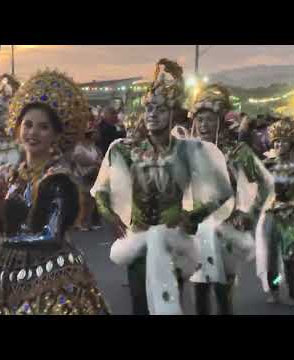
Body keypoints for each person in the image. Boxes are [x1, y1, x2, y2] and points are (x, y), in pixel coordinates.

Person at [91, 59, 233, 315]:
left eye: (160, 109)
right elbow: (101, 190)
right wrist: (109, 214)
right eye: (148, 109)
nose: (152, 115)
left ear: (172, 114)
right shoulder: (125, 149)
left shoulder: (189, 151)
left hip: (173, 243)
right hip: (137, 244)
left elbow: (222, 191)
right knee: (139, 305)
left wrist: (192, 217)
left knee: (170, 304)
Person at [0, 70, 109, 315]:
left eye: (43, 127)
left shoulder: (59, 178)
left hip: (52, 276)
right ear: (18, 127)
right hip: (8, 273)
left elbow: (50, 236)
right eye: (28, 124)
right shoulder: (10, 175)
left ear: (56, 135)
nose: (32, 132)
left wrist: (0, 239)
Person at [189, 84, 272, 314]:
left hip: (225, 229)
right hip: (196, 228)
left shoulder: (236, 151)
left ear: (220, 120)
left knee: (222, 291)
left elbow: (264, 183)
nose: (204, 125)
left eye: (209, 119)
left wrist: (247, 213)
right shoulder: (187, 151)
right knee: (198, 290)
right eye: (200, 120)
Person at [259, 118, 294, 305]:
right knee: (271, 258)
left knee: (290, 257)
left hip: (292, 217)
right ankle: (274, 289)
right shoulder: (268, 164)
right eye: (276, 141)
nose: (279, 144)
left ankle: (292, 293)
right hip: (272, 215)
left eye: (283, 141)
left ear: (292, 143)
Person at [72, 124, 103, 231]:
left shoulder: (94, 147)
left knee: (92, 200)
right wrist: (95, 162)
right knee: (83, 201)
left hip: (93, 175)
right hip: (82, 176)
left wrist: (98, 163)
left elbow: (100, 158)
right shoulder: (79, 147)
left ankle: (87, 222)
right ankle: (79, 222)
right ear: (89, 135)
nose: (97, 135)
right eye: (94, 133)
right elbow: (80, 159)